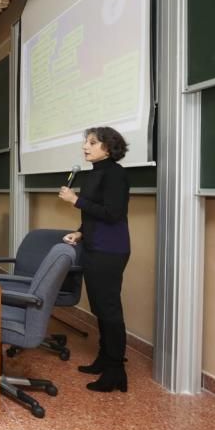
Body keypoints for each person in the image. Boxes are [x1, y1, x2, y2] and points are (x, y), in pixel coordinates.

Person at [59, 126, 132, 393]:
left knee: (109, 309)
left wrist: (75, 200)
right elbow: (93, 214)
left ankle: (116, 370)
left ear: (108, 147)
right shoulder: (94, 174)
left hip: (110, 249)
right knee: (100, 307)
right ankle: (104, 358)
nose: (85, 147)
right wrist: (79, 233)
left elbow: (113, 213)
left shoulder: (116, 174)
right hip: (93, 245)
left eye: (92, 143)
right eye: (85, 142)